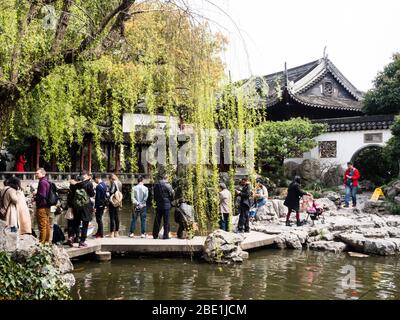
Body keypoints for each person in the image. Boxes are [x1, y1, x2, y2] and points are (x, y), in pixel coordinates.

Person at [68, 171, 95, 247]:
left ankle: (71, 237)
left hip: (76, 206)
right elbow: (92, 194)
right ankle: (82, 241)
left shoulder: (74, 184)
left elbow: (71, 195)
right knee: (85, 224)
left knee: (75, 223)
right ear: (85, 176)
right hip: (86, 206)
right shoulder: (88, 184)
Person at [153, 174, 174, 240]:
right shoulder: (168, 185)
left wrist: (156, 201)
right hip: (166, 206)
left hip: (158, 205)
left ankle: (155, 235)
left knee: (157, 221)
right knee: (166, 221)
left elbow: (154, 196)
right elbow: (172, 195)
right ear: (166, 178)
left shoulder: (156, 185)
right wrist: (170, 201)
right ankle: (166, 236)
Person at [35, 168, 51, 243]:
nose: (36, 175)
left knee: (42, 225)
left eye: (37, 173)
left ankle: (42, 242)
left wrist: (35, 197)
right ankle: (47, 241)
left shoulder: (42, 182)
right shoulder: (47, 181)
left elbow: (42, 195)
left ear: (42, 174)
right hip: (47, 205)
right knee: (47, 224)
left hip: (42, 206)